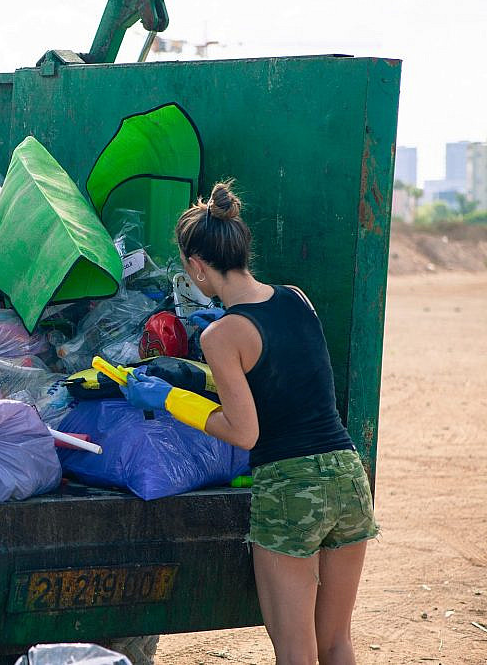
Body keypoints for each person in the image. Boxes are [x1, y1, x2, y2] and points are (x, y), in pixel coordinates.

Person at [121, 180, 379, 665]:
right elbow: (282, 365)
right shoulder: (297, 298)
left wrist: (170, 397)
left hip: (290, 488)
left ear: (197, 266)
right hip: (348, 476)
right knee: (336, 643)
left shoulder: (223, 336)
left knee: (296, 653)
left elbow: (244, 432)